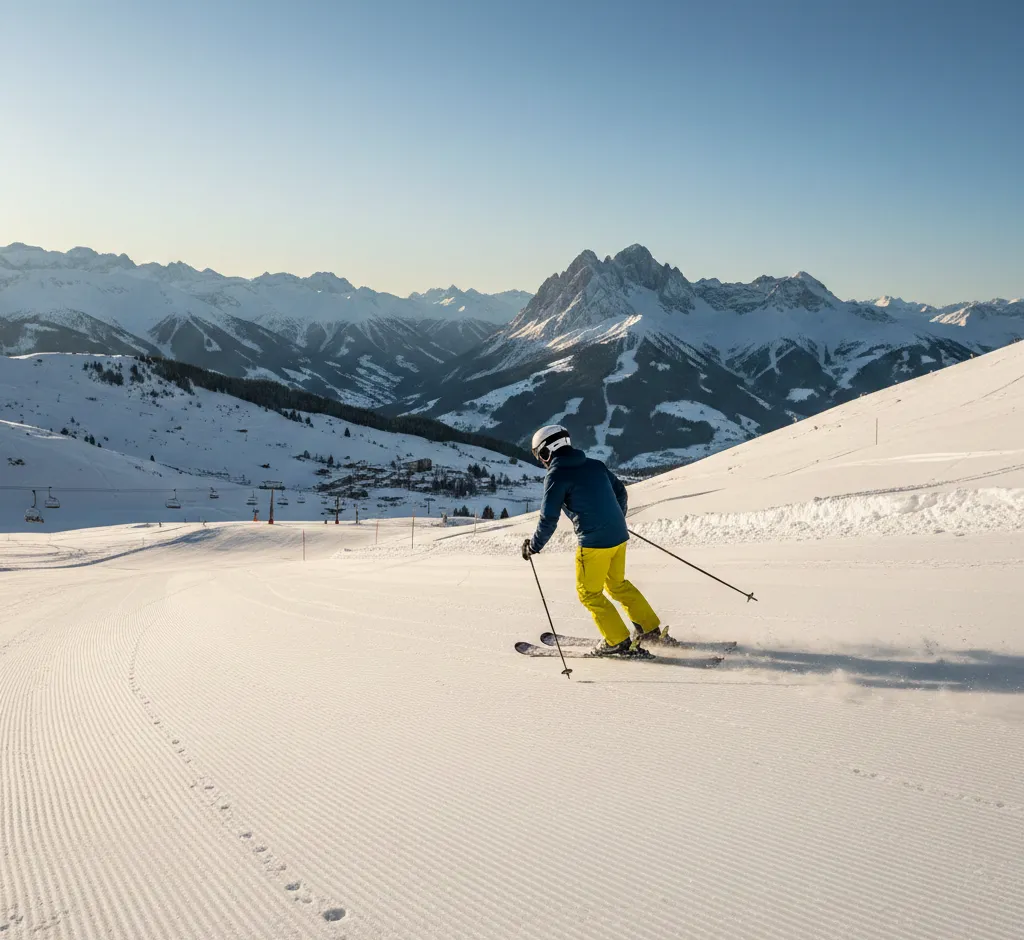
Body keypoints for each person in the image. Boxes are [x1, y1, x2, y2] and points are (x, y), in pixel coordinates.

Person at [522, 425, 663, 656]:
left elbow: (548, 518)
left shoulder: (556, 475)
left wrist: (534, 546)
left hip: (594, 543)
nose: (543, 462)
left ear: (547, 452)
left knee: (589, 593)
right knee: (618, 585)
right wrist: (614, 517)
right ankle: (649, 630)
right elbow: (621, 492)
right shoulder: (595, 465)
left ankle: (616, 641)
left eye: (541, 456)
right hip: (619, 536)